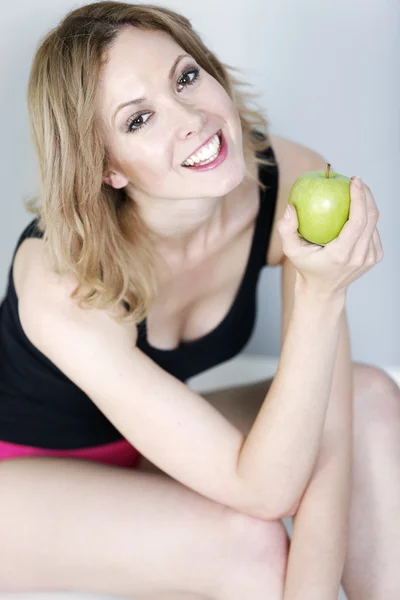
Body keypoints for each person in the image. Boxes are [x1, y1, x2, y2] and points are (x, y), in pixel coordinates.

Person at [1, 2, 399, 599]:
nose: (190, 119)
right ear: (106, 165)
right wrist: (321, 297)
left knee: (367, 396)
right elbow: (269, 492)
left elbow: (330, 440)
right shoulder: (61, 278)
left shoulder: (291, 181)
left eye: (186, 77)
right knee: (252, 548)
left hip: (148, 445)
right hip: (22, 475)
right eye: (139, 120)